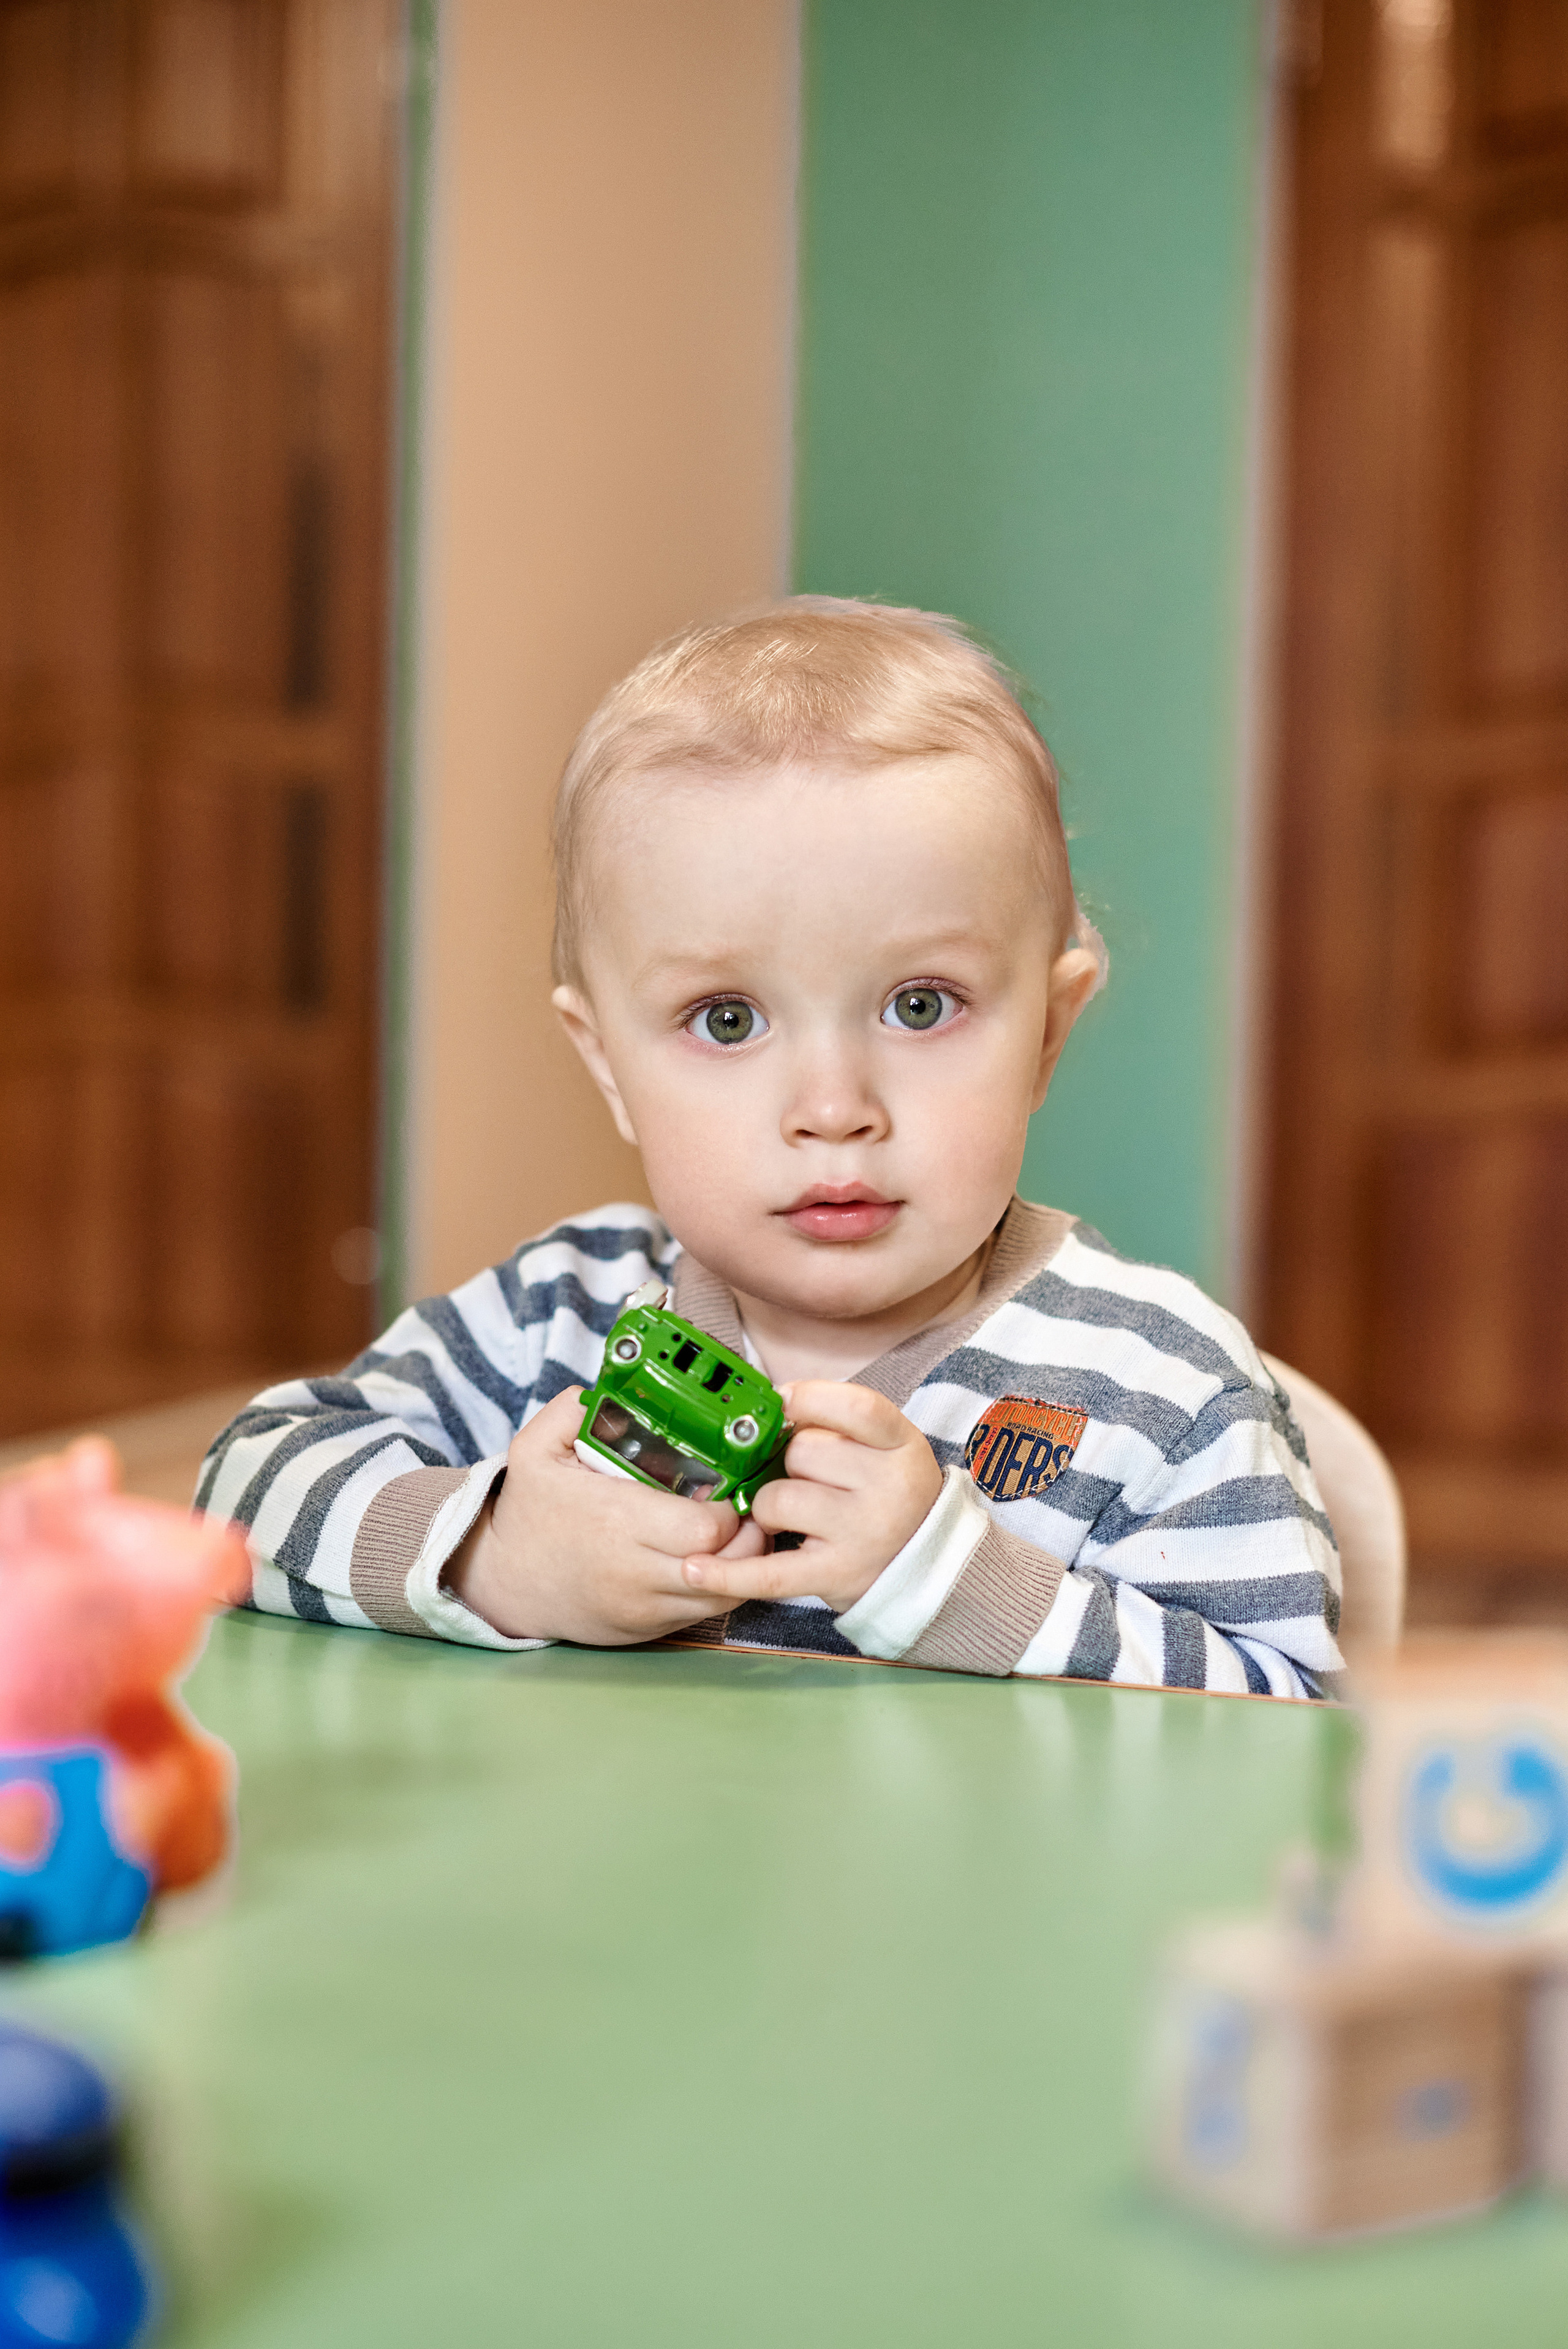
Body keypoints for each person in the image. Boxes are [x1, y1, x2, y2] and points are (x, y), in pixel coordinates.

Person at [197, 600, 1341, 1698]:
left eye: (920, 1005)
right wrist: (495, 1552)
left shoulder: (1157, 1388)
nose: (833, 1107)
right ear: (608, 1066)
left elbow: (1284, 1730)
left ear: (1048, 1031)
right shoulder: (556, 1313)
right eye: (728, 1020)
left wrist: (959, 1589)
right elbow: (240, 1490)